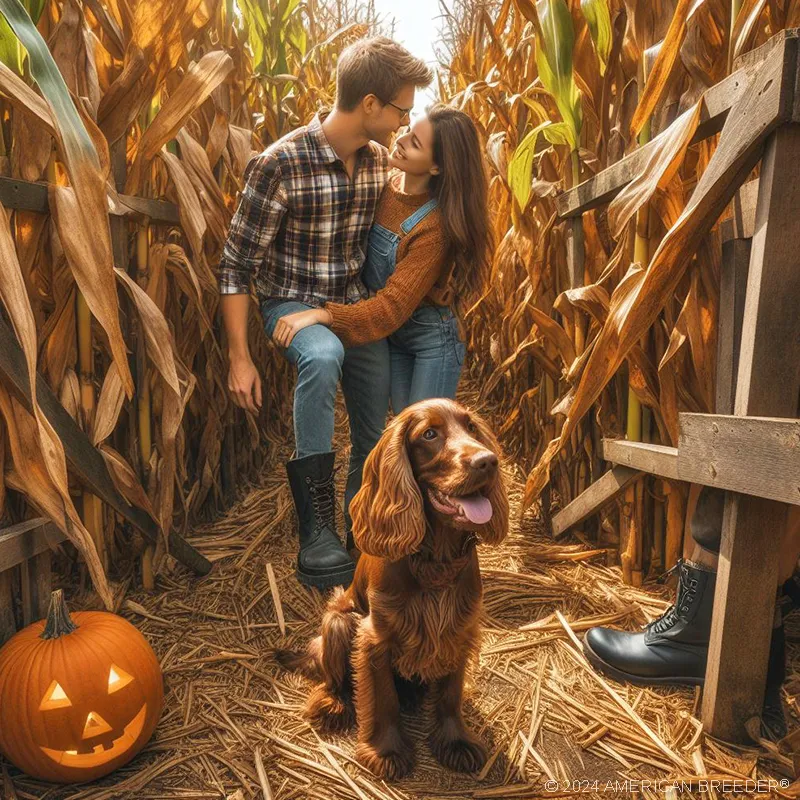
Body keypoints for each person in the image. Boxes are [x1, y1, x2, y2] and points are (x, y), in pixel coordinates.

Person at [218, 37, 432, 590]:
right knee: (322, 355)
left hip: (349, 305)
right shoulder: (279, 164)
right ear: (369, 105)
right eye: (402, 109)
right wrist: (239, 358)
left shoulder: (381, 164)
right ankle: (315, 529)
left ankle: (360, 525)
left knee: (375, 420)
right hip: (291, 304)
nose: (406, 120)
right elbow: (236, 265)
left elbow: (423, 213)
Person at [271, 104, 491, 412]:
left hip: (429, 340)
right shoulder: (383, 186)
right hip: (392, 336)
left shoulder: (434, 228)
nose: (401, 140)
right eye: (408, 132)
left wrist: (323, 314)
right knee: (403, 431)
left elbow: (391, 307)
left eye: (415, 143)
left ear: (436, 167)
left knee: (425, 436)